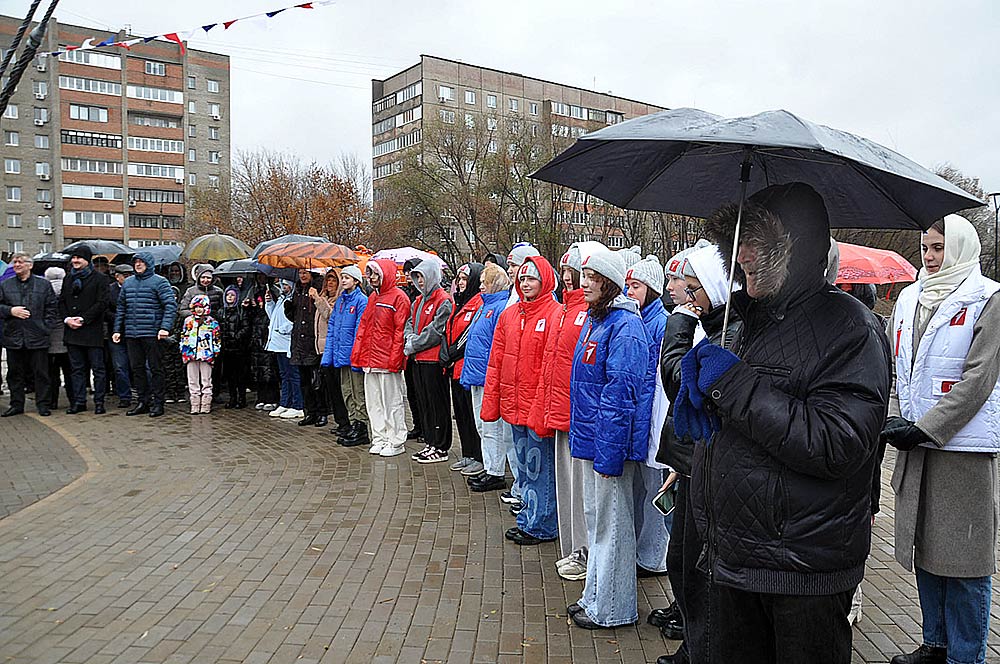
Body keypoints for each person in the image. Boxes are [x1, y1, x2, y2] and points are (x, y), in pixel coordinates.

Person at [675, 183, 891, 663]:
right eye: (737, 241)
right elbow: (745, 418)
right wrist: (698, 386)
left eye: (755, 242)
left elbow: (838, 443)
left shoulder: (850, 327)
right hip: (733, 559)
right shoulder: (745, 319)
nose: (743, 254)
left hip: (802, 572)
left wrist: (734, 385)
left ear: (796, 249)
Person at [883, 215, 1000, 664]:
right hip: (917, 445)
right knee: (925, 549)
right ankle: (936, 643)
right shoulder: (911, 297)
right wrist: (896, 419)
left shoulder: (987, 298)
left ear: (959, 249)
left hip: (963, 449)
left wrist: (926, 428)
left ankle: (965, 655)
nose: (929, 258)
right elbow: (900, 369)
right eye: (926, 247)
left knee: (966, 559)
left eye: (938, 248)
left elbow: (978, 380)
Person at [653, 244, 741, 663]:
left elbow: (680, 384)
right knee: (681, 564)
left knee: (697, 569)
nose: (685, 298)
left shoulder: (726, 333)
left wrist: (680, 324)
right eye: (684, 290)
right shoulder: (711, 327)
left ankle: (701, 649)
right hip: (691, 463)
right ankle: (694, 643)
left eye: (693, 290)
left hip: (710, 470)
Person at [564, 246, 648, 630]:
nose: (583, 284)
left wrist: (609, 455)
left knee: (612, 528)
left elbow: (620, 395)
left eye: (592, 278)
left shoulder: (625, 327)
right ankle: (595, 596)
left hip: (607, 445)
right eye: (583, 276)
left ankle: (612, 608)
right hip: (592, 439)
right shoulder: (599, 321)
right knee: (598, 523)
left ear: (610, 283)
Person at [482, 254, 561, 545]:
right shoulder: (509, 315)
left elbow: (551, 367)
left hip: (537, 408)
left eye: (532, 278)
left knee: (540, 469)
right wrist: (494, 402)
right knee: (524, 469)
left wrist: (543, 406)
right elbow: (496, 361)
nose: (526, 284)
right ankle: (528, 517)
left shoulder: (555, 314)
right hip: (515, 406)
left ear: (544, 281)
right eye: (523, 278)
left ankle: (542, 524)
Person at [531, 244, 590, 578]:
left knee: (581, 490)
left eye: (575, 273)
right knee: (566, 484)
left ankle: (583, 550)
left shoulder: (585, 313)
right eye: (565, 272)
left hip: (576, 414)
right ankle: (572, 547)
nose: (568, 278)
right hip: (559, 411)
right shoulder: (564, 310)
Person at [624, 254, 671, 579]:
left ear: (652, 289)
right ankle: (642, 550)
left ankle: (654, 556)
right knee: (641, 490)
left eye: (636, 286)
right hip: (639, 417)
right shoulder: (640, 318)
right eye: (627, 285)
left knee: (653, 492)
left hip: (651, 421)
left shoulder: (660, 322)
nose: (629, 292)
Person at [460, 263, 514, 493]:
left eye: (485, 282)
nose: (481, 286)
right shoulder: (486, 306)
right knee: (483, 426)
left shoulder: (499, 307)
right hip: (477, 373)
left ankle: (496, 471)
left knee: (492, 427)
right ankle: (490, 466)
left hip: (487, 376)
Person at [351, 258, 411, 457]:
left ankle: (396, 439)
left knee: (391, 402)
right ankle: (380, 437)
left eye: (376, 274)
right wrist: (358, 354)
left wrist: (395, 359)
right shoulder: (373, 298)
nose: (373, 278)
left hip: (386, 360)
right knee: (374, 402)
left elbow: (399, 332)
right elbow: (364, 328)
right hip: (370, 360)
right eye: (370, 274)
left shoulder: (399, 298)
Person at [113, 252, 177, 418]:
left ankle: (158, 402)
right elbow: (121, 308)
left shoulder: (160, 282)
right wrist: (117, 330)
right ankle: (143, 401)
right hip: (132, 333)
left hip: (153, 333)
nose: (138, 265)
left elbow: (170, 305)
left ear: (149, 263)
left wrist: (165, 328)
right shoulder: (128, 284)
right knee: (137, 369)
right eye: (136, 262)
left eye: (142, 262)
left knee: (156, 369)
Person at [405, 259, 454, 463]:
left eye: (422, 276)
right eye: (417, 277)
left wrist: (414, 343)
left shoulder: (443, 300)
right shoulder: (418, 301)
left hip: (433, 361)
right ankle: (430, 441)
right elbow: (409, 323)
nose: (419, 281)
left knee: (437, 404)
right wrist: (409, 338)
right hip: (417, 359)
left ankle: (441, 446)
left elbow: (435, 330)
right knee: (424, 403)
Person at [0, 253, 58, 417]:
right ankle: (16, 404)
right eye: (15, 262)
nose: (17, 264)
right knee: (15, 374)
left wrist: (45, 328)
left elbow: (52, 308)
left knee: (41, 374)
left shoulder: (43, 285)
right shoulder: (5, 285)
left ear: (30, 265)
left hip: (37, 336)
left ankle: (43, 404)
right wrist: (10, 311)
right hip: (14, 336)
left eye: (20, 262)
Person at [442, 263, 485, 475]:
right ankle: (468, 453)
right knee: (460, 413)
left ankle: (479, 456)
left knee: (471, 414)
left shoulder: (477, 303)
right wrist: (446, 353)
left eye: (465, 279)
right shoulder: (459, 302)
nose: (460, 283)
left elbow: (469, 336)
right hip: (454, 368)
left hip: (466, 367)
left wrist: (451, 354)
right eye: (458, 279)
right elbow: (448, 329)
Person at [60, 245, 110, 415]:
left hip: (91, 331)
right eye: (73, 258)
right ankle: (79, 401)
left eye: (78, 258)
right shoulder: (68, 278)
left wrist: (83, 319)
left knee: (98, 369)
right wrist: (67, 319)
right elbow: (62, 302)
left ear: (87, 260)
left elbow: (101, 303)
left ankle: (99, 402)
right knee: (77, 369)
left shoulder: (100, 279)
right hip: (72, 332)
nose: (75, 261)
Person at [321, 265, 369, 447]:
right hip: (341, 355)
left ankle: (362, 425)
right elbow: (333, 328)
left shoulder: (361, 301)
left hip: (353, 356)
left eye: (347, 277)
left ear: (356, 281)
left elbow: (360, 330)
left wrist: (356, 354)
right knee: (346, 390)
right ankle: (352, 422)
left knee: (358, 392)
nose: (343, 280)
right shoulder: (341, 301)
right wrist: (329, 355)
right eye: (343, 277)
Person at [285, 269, 326, 426]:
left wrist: (315, 297)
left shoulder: (317, 289)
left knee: (317, 380)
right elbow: (295, 317)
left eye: (305, 272)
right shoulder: (298, 290)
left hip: (312, 341)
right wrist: (288, 308)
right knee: (304, 382)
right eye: (300, 272)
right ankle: (310, 411)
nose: (302, 275)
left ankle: (321, 411)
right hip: (298, 342)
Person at [312, 269, 347, 430]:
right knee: (329, 388)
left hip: (333, 349)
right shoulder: (324, 297)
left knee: (338, 388)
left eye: (333, 280)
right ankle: (340, 422)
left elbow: (331, 316)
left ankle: (345, 421)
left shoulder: (339, 300)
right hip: (321, 349)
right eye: (328, 280)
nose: (329, 283)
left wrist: (318, 300)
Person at [265, 279, 303, 420]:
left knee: (293, 375)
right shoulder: (282, 299)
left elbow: (293, 320)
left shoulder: (293, 300)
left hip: (287, 343)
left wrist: (284, 329)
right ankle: (285, 402)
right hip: (277, 344)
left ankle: (297, 405)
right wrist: (269, 303)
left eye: (286, 285)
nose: (284, 287)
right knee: (284, 375)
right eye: (282, 285)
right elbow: (273, 317)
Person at [180, 294, 221, 414]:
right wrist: (183, 349)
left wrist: (215, 351)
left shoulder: (211, 322)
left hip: (206, 354)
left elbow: (216, 338)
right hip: (191, 354)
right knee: (192, 380)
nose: (199, 309)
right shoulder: (188, 321)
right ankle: (195, 403)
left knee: (206, 380)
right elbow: (184, 335)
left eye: (201, 307)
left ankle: (206, 403)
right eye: (196, 307)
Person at [44, 267, 75, 410]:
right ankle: (73, 400)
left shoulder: (44, 291)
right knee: (70, 372)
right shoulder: (69, 290)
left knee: (51, 373)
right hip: (67, 338)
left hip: (49, 339)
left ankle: (52, 401)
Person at [401, 258, 424, 442]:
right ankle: (417, 424)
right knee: (411, 391)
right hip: (407, 346)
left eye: (411, 272)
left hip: (421, 348)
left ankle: (425, 427)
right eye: (406, 272)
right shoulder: (407, 293)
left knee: (421, 391)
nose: (408, 275)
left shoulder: (422, 294)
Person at [219, 286, 251, 409]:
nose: (230, 297)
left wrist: (237, 336)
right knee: (230, 376)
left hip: (239, 349)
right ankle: (232, 398)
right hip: (226, 349)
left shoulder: (241, 311)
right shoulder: (222, 312)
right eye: (228, 295)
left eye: (232, 295)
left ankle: (241, 398)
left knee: (240, 376)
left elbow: (246, 327)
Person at [106, 264, 133, 408]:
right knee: (120, 366)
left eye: (130, 275)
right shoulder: (110, 290)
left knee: (140, 366)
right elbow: (105, 310)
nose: (129, 278)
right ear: (117, 277)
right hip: (116, 333)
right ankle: (124, 396)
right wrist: (119, 317)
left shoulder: (136, 288)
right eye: (126, 275)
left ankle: (144, 394)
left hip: (134, 332)